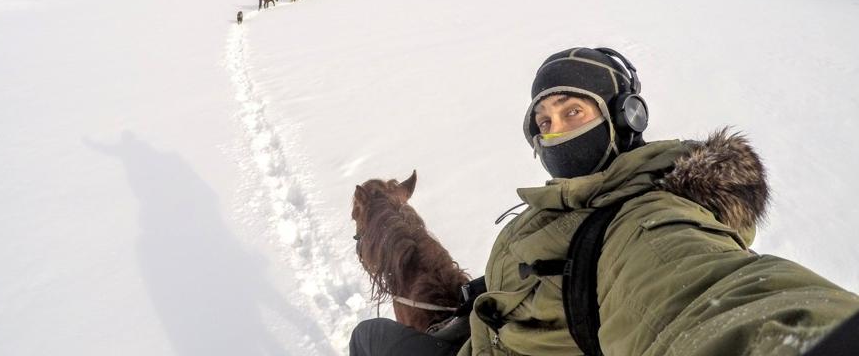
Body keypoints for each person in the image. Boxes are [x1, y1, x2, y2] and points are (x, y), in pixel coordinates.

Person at [350, 46, 859, 356]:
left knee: (369, 339)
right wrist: (485, 291)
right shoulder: (574, 203)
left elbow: (701, 296)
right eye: (544, 123)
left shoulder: (645, 221)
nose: (556, 132)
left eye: (573, 111)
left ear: (625, 118)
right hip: (483, 330)